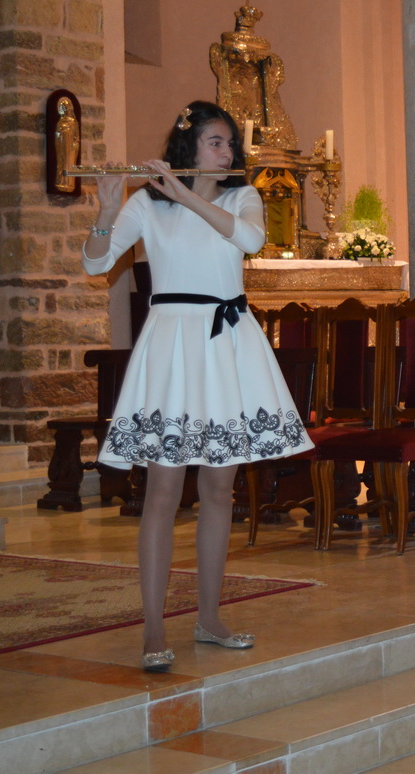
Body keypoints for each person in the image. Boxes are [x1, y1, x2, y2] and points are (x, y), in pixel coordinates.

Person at [82, 100, 314, 672]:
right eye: (216, 142)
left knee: (218, 490)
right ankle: (153, 629)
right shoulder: (147, 204)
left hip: (226, 344)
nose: (227, 152)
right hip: (172, 345)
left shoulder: (243, 196)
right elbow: (95, 263)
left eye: (229, 144)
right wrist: (108, 211)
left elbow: (251, 241)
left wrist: (187, 196)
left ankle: (209, 618)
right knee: (162, 492)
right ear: (189, 145)